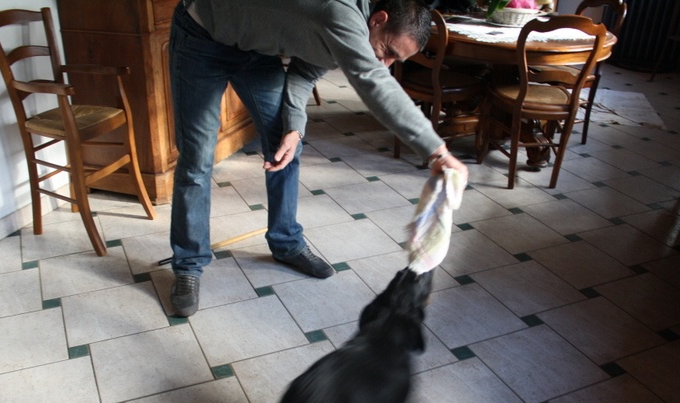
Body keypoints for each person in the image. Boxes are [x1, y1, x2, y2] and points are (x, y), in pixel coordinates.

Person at [168, 0, 469, 317]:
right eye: (388, 51)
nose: (386, 64)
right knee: (197, 159)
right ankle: (189, 264)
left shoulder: (354, 33)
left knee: (286, 144)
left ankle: (286, 243)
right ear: (378, 20)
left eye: (397, 60)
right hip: (202, 36)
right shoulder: (339, 14)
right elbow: (372, 81)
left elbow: (305, 72)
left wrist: (294, 129)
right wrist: (437, 150)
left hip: (256, 51)